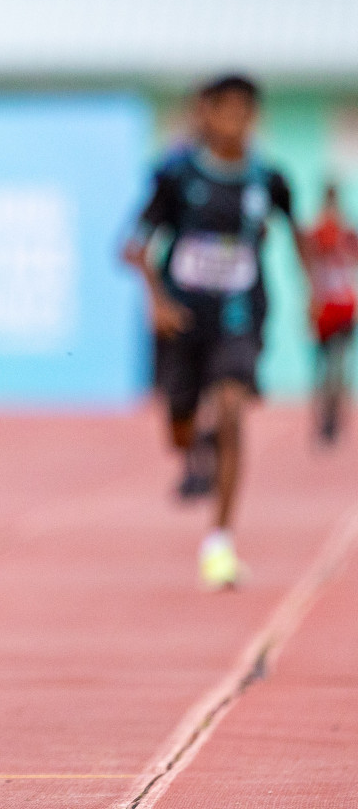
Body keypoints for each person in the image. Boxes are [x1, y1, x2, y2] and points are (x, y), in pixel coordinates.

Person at [123, 74, 302, 590]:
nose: (232, 122)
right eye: (221, 111)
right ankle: (195, 437)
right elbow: (133, 245)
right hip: (182, 319)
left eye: (242, 112)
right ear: (203, 115)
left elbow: (298, 234)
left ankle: (219, 541)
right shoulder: (176, 177)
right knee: (179, 430)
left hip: (239, 317)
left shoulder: (267, 180)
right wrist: (157, 299)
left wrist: (311, 290)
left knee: (230, 407)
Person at [304, 182, 358, 443]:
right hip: (328, 308)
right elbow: (310, 269)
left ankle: (332, 419)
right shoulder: (323, 232)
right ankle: (327, 419)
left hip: (340, 307)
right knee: (327, 366)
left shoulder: (342, 233)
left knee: (333, 366)